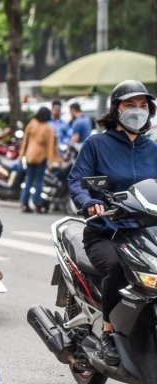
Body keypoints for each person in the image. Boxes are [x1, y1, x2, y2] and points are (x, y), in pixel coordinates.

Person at [68, 80, 157, 366]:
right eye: (130, 105)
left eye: (143, 106)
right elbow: (76, 181)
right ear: (116, 109)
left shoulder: (151, 148)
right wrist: (89, 202)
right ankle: (108, 330)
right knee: (119, 268)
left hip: (146, 232)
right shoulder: (97, 144)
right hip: (107, 233)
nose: (137, 111)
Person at [17, 107, 60, 213]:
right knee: (39, 180)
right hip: (41, 157)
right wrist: (51, 161)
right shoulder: (48, 128)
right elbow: (50, 146)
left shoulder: (32, 124)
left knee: (29, 179)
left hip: (29, 155)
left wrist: (22, 154)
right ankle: (38, 203)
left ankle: (24, 203)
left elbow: (25, 140)